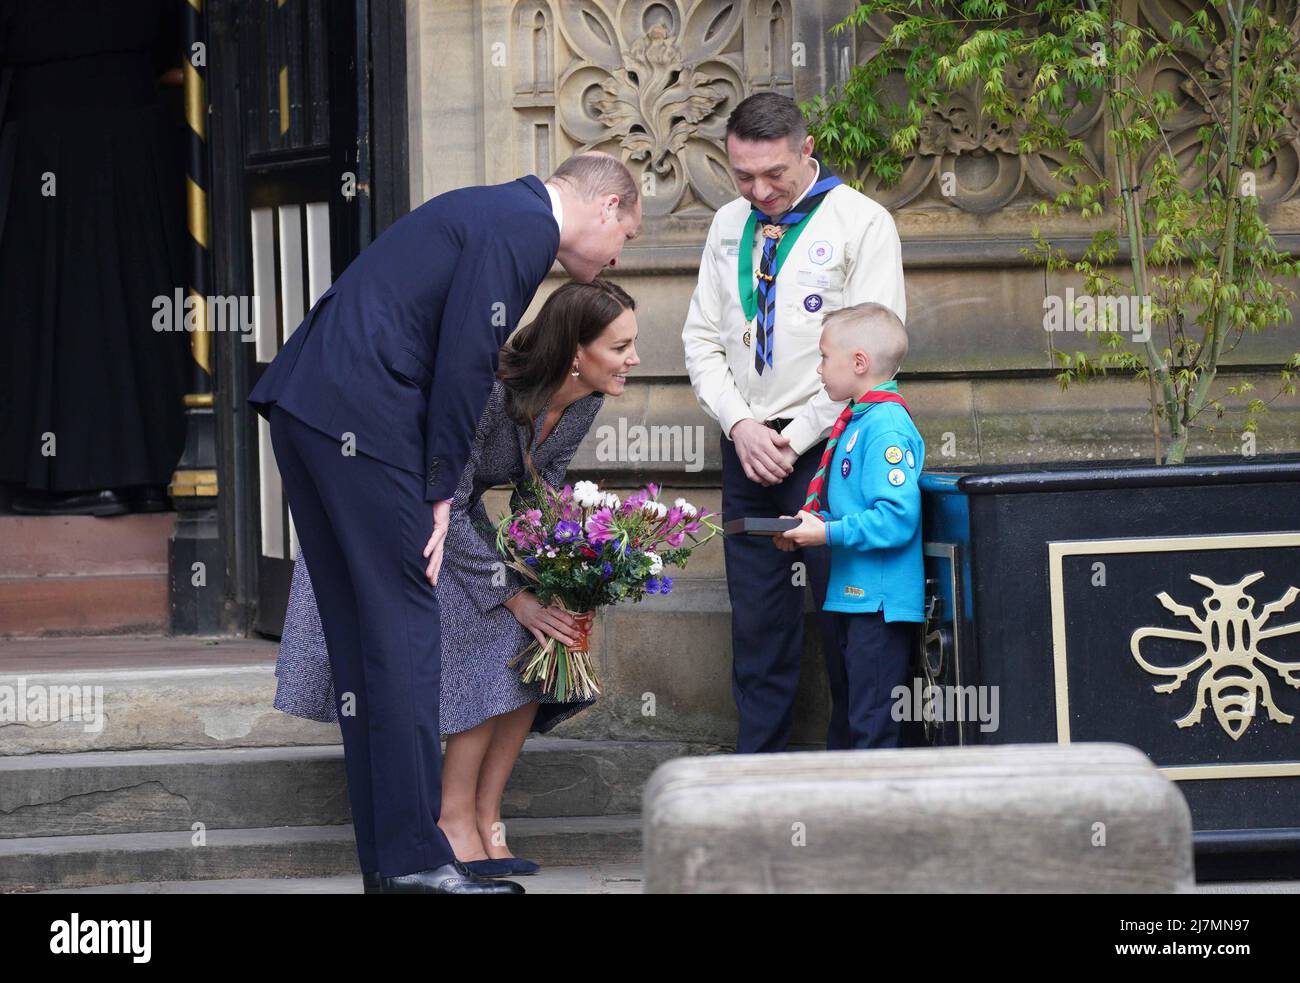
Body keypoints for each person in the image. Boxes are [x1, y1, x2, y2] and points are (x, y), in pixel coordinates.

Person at [247, 152, 641, 895]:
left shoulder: (490, 211)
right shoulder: (526, 226)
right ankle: (415, 861)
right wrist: (437, 488)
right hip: (363, 422)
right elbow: (467, 358)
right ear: (608, 204)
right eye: (627, 234)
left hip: (308, 412)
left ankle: (391, 864)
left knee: (369, 642)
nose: (621, 253)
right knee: (404, 637)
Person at [681, 91, 906, 753]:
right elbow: (701, 339)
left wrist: (794, 436)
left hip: (832, 445)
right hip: (747, 447)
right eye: (743, 175)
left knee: (847, 617)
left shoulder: (862, 222)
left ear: (806, 151)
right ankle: (760, 773)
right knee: (757, 622)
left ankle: (851, 776)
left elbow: (874, 353)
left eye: (774, 174)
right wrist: (741, 426)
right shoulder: (727, 224)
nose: (759, 190)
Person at [0, 0, 189, 515]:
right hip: (120, 108)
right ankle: (147, 470)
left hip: (60, 115)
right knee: (131, 290)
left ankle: (64, 478)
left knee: (67, 294)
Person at [775, 302, 924, 748]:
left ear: (859, 362)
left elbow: (897, 517)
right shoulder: (860, 419)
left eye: (823, 357)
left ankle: (873, 816)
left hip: (878, 604)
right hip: (855, 598)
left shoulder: (885, 427)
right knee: (856, 716)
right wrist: (810, 523)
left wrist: (826, 533)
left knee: (872, 723)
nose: (819, 369)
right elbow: (851, 505)